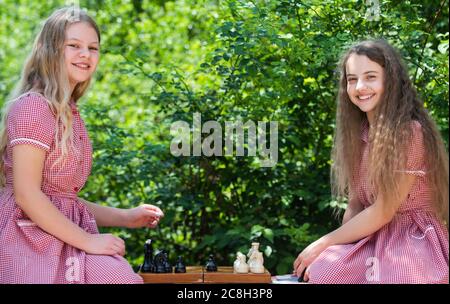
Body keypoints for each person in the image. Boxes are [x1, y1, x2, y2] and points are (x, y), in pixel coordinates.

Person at [0, 7, 163, 284]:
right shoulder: (33, 107)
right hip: (28, 241)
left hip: (63, 235)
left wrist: (126, 217)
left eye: (93, 47)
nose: (85, 54)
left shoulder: (68, 112)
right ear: (49, 50)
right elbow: (27, 195)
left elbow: (64, 201)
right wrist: (89, 240)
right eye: (73, 46)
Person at [293, 39, 449, 284]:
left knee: (399, 276)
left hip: (411, 239)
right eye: (352, 79)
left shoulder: (410, 132)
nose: (360, 86)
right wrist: (336, 252)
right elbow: (355, 204)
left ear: (391, 80)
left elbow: (383, 210)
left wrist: (324, 242)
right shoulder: (360, 134)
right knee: (323, 270)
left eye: (370, 77)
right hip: (373, 235)